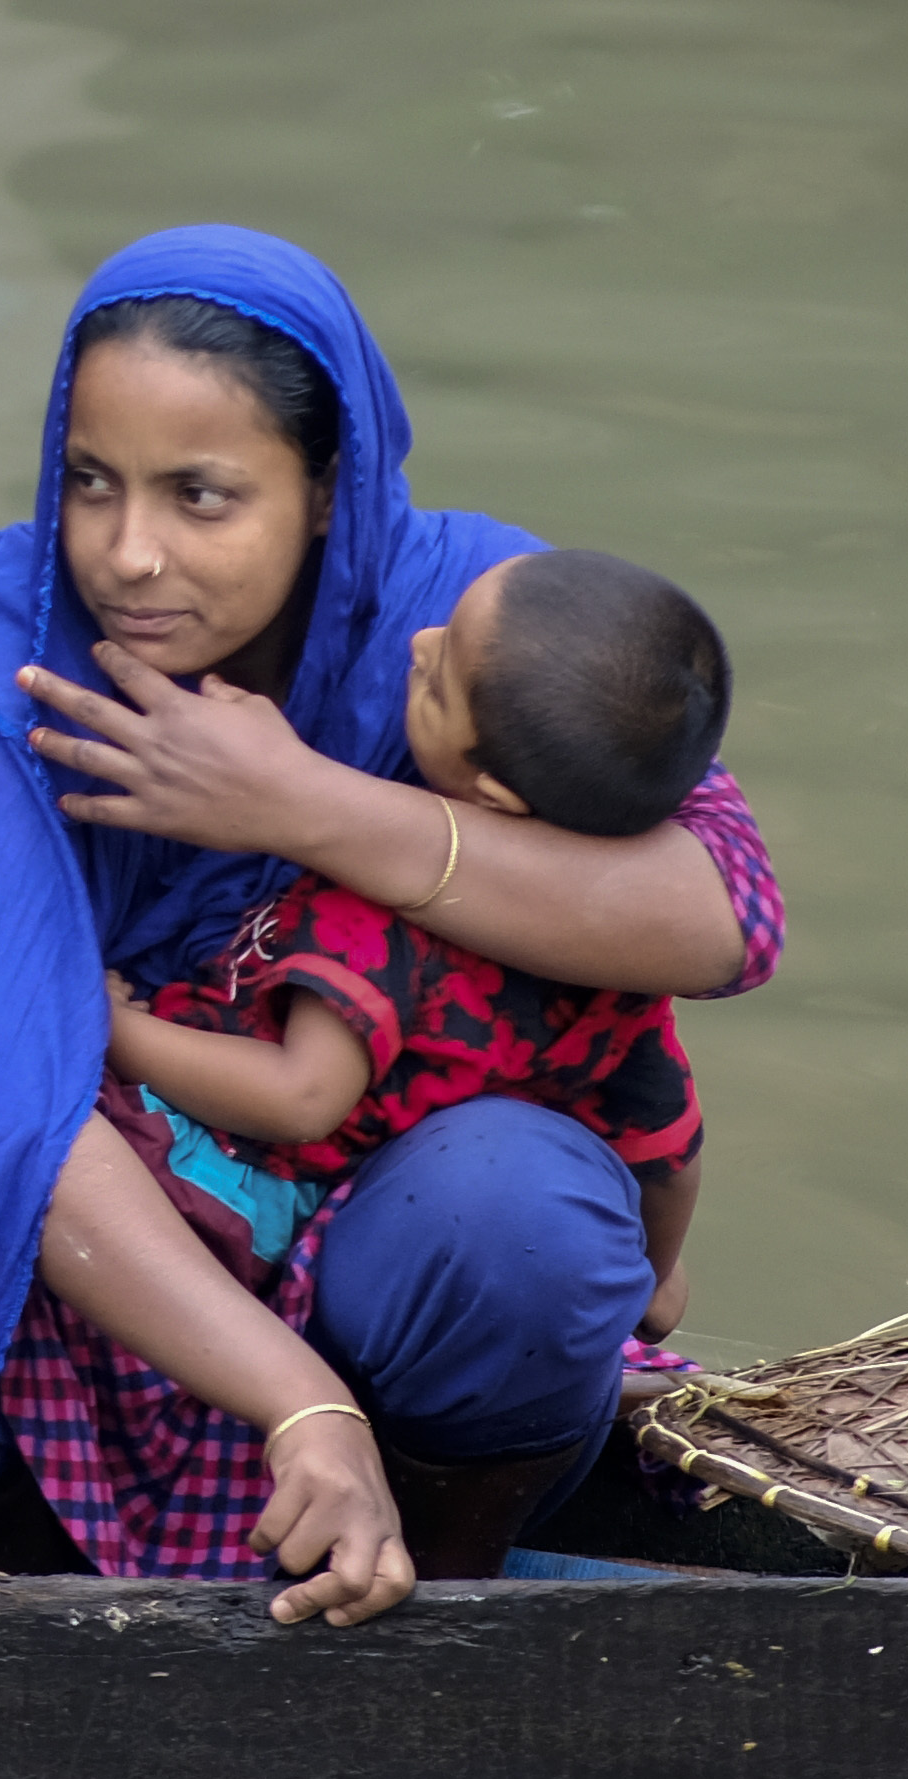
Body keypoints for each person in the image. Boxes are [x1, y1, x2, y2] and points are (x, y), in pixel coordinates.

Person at [0, 229, 789, 1609]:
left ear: (328, 491)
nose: (130, 557)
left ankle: (437, 1591)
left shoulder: (464, 623)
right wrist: (301, 1409)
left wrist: (300, 804)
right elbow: (1, 1103)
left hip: (369, 1236)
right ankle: (7, 1589)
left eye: (203, 497)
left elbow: (723, 919)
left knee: (527, 1213)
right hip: (72, 1242)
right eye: (91, 485)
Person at [107, 547, 729, 1336]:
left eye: (437, 684)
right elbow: (668, 1145)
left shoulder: (380, 917)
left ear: (493, 793)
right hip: (405, 1232)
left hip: (241, 1190)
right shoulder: (611, 962)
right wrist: (656, 1274)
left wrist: (123, 1034)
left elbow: (298, 1098)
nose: (419, 641)